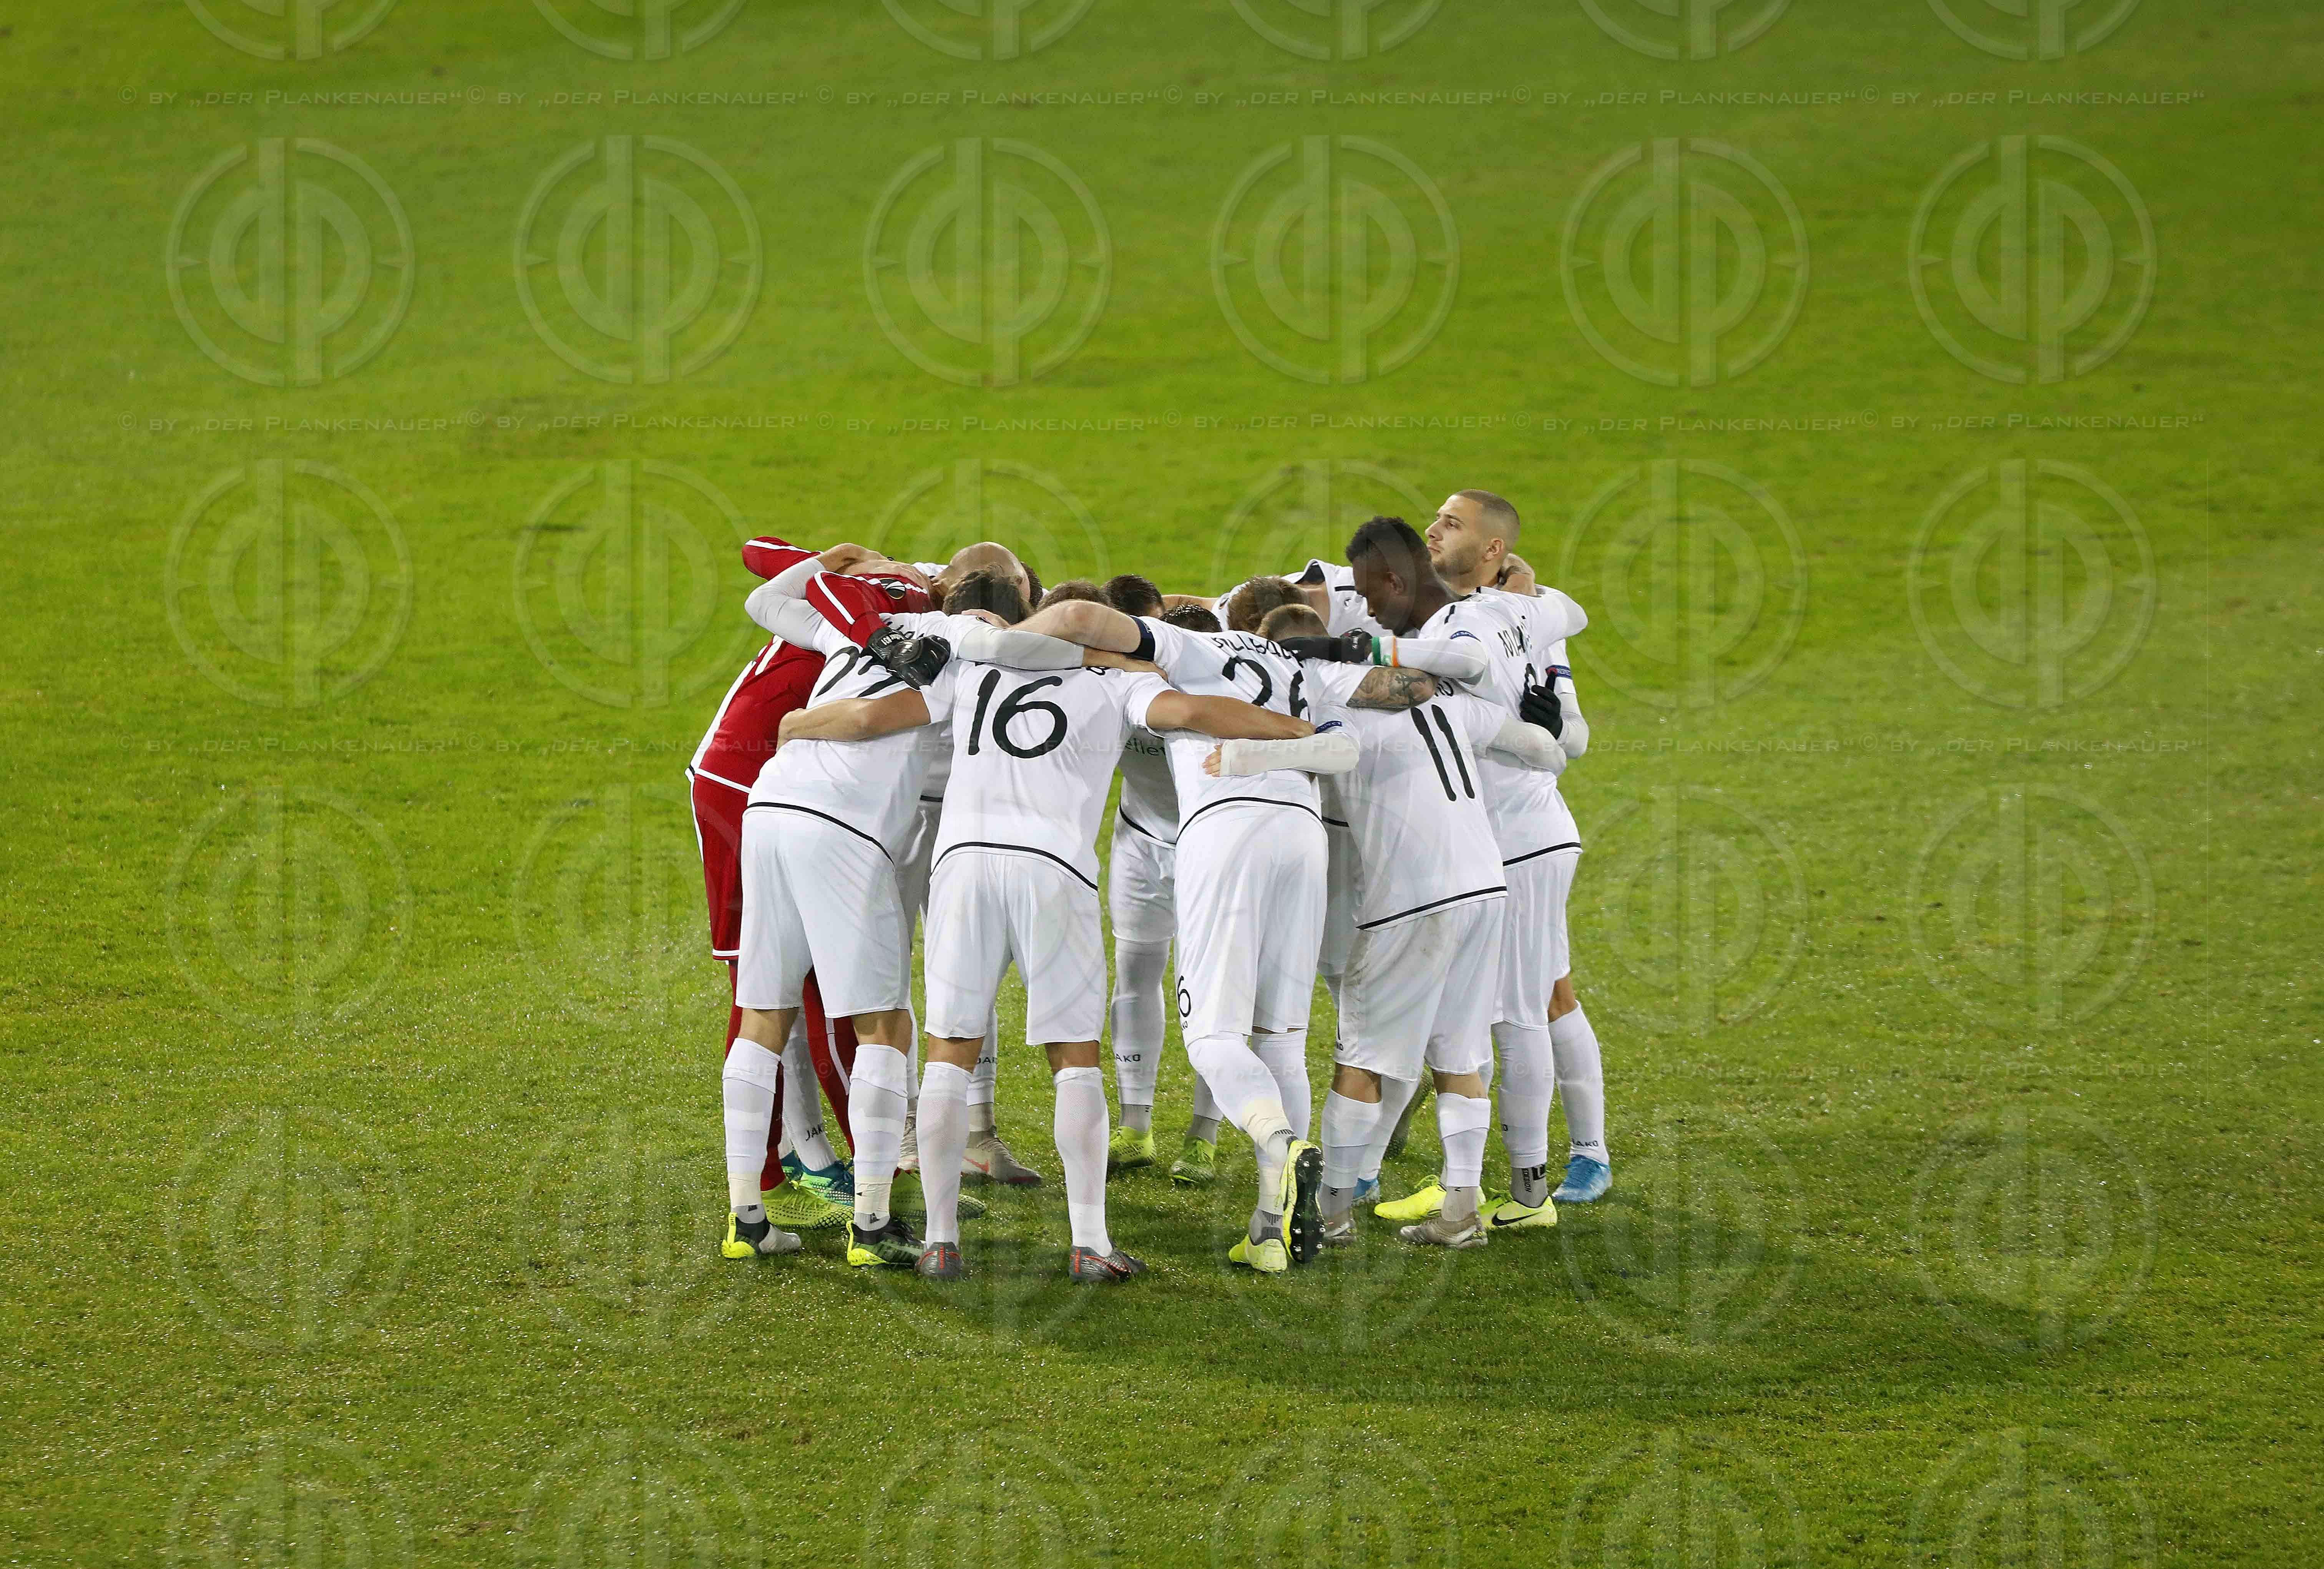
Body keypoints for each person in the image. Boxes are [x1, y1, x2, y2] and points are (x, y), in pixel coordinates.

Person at [781, 590, 1317, 1281]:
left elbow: (877, 715)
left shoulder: (971, 667)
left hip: (964, 863)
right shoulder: (1117, 677)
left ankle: (941, 1241)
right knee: (1074, 1060)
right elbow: (1188, 713)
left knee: (948, 1052)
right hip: (1054, 870)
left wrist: (800, 724)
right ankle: (1090, 1243)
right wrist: (1292, 731)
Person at [1212, 616, 1570, 1250]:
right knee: (1460, 1056)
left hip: (1411, 896)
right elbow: (1543, 748)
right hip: (1487, 887)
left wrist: (1247, 756)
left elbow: (1337, 752)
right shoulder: (1453, 700)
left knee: (1361, 1060)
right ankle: (1462, 1213)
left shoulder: (1327, 690)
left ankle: (1333, 1212)